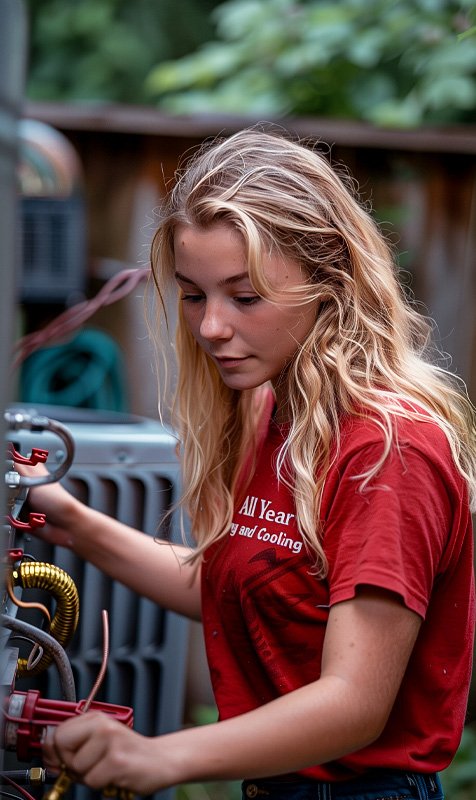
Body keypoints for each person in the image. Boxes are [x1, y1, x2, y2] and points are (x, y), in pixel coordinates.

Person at [25, 127, 476, 800]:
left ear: (329, 279)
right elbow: (239, 582)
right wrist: (71, 520)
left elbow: (354, 703)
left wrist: (161, 757)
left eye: (245, 296)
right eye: (193, 293)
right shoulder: (276, 411)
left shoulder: (388, 449)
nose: (209, 327)